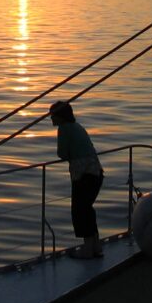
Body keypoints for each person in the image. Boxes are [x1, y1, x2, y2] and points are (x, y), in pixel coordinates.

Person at [49, 100, 104, 258]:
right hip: (96, 172)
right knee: (87, 209)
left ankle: (88, 249)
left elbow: (62, 154)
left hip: (83, 175)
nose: (51, 119)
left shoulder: (64, 129)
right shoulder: (77, 126)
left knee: (80, 211)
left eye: (53, 115)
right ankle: (95, 246)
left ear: (61, 116)